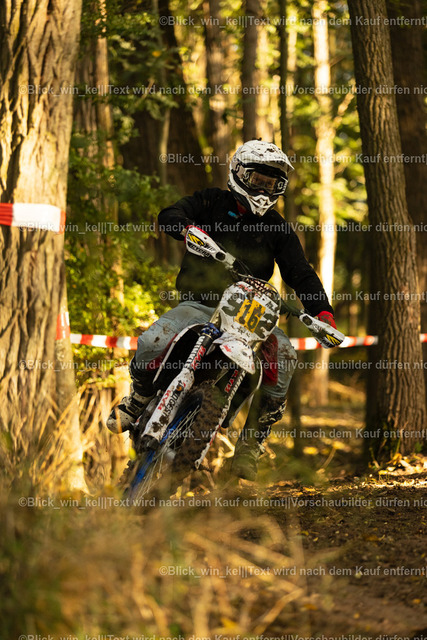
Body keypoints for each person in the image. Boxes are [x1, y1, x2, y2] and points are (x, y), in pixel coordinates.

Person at [107, 140, 336, 480]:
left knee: (285, 356)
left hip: (249, 312)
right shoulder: (211, 201)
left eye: (272, 184)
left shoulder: (278, 227)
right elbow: (170, 214)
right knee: (155, 339)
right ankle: (138, 399)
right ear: (239, 174)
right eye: (258, 180)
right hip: (201, 303)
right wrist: (186, 228)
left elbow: (300, 273)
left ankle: (252, 444)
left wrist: (323, 313)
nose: (264, 190)